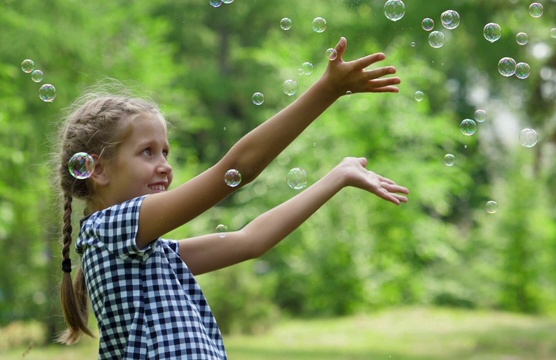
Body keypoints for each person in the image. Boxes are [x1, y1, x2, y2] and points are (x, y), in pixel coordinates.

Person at [53, 37, 409, 359]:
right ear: (96, 170)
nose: (164, 166)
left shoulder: (150, 252)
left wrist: (337, 176)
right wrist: (326, 91)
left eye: (165, 152)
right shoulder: (107, 229)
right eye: (147, 152)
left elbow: (250, 241)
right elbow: (237, 169)